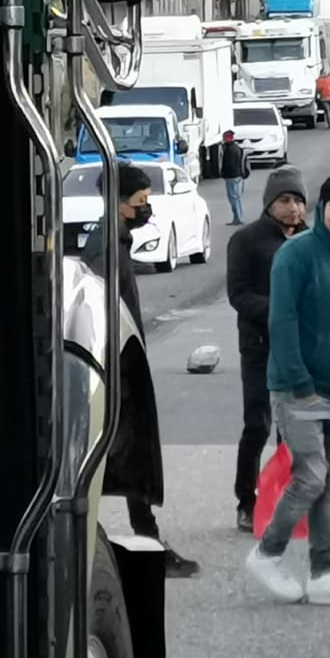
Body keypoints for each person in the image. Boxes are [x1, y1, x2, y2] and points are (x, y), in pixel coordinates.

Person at [244, 171, 330, 607]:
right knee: (311, 476)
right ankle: (267, 554)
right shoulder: (295, 255)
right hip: (299, 392)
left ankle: (323, 575)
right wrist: (300, 385)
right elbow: (281, 321)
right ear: (322, 209)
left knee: (328, 484)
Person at [80, 161, 200, 578]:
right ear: (119, 202)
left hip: (119, 365)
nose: (146, 207)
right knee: (127, 456)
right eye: (140, 201)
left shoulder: (115, 240)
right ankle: (141, 545)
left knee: (127, 457)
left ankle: (144, 539)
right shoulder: (108, 247)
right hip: (116, 369)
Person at [226, 168, 309, 532]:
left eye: (298, 200)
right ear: (270, 204)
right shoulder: (246, 241)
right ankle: (247, 499)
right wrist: (279, 311)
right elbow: (239, 294)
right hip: (260, 346)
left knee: (293, 429)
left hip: (300, 351)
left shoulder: (312, 242)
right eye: (285, 201)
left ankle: (285, 500)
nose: (293, 208)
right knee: (257, 424)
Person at [219, 129, 250, 225]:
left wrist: (223, 173)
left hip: (232, 177)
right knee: (237, 197)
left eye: (224, 138)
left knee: (233, 198)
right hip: (238, 176)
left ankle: (237, 218)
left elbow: (229, 164)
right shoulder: (237, 147)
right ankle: (238, 217)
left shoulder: (230, 150)